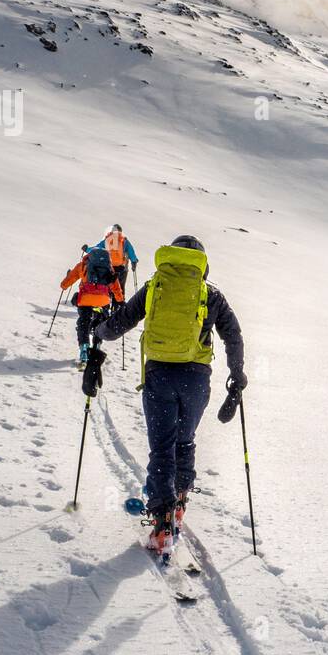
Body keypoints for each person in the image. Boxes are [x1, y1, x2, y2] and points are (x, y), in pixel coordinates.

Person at [91, 235, 246, 555]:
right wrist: (236, 373)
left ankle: (162, 523)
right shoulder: (211, 295)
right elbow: (233, 335)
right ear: (202, 265)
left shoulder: (154, 286)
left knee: (161, 446)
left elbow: (120, 323)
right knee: (185, 439)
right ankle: (180, 499)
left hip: (159, 376)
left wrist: (98, 331)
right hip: (196, 379)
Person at [60, 245, 125, 365]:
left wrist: (64, 285)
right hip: (103, 301)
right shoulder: (108, 268)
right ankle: (97, 345)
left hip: (85, 300)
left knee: (83, 322)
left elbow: (67, 281)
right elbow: (116, 286)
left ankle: (84, 348)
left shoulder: (83, 266)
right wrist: (120, 300)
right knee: (100, 323)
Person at [93, 225, 138, 302]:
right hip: (122, 269)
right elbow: (131, 252)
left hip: (109, 268)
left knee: (110, 285)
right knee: (120, 286)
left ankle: (106, 302)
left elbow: (96, 248)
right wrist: (134, 261)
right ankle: (119, 305)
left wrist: (87, 249)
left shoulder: (107, 240)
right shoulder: (124, 241)